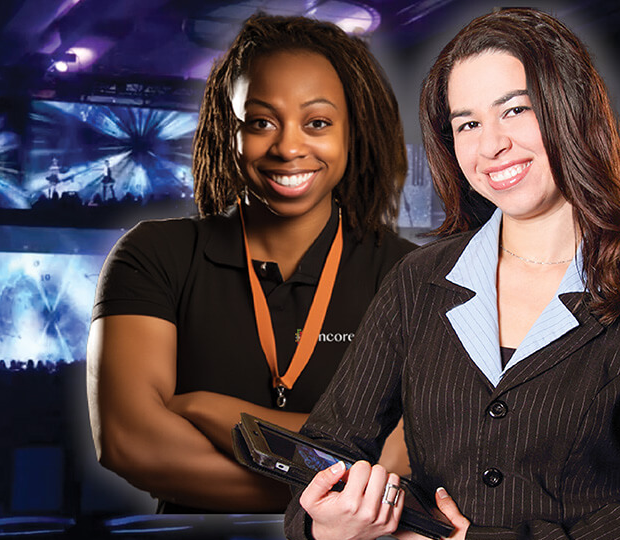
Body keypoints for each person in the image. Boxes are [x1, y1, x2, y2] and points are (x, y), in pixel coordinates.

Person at [285, 8, 620, 540]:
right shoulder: (418, 282)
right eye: (467, 123)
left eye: (514, 110)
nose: (490, 145)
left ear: (571, 111)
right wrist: (328, 526)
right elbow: (325, 448)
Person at [90, 13, 418, 513]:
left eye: (317, 123)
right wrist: (335, 493)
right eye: (261, 122)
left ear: (353, 131)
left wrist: (207, 410)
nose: (288, 147)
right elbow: (130, 442)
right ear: (230, 130)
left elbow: (418, 449)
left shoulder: (414, 276)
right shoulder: (153, 255)